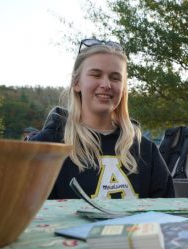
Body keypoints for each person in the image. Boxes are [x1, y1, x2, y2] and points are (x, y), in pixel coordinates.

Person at [30, 38, 174, 199]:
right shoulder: (46, 147)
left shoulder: (145, 150)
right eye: (96, 75)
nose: (106, 84)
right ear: (76, 83)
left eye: (115, 77)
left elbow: (166, 215)